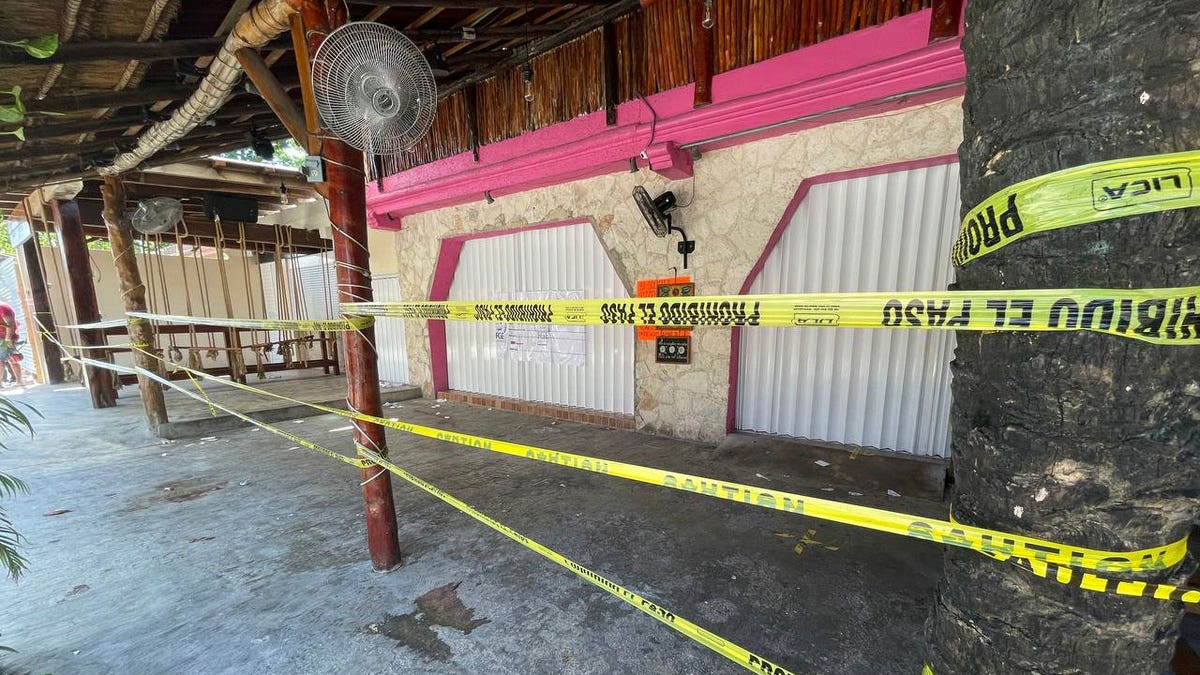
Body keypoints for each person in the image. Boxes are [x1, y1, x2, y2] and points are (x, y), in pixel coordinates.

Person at [0, 301, 23, 387]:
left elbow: (9, 323)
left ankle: (19, 381)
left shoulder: (3, 308)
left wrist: (8, 338)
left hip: (4, 339)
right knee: (12, 359)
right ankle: (19, 381)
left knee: (3, 360)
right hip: (5, 338)